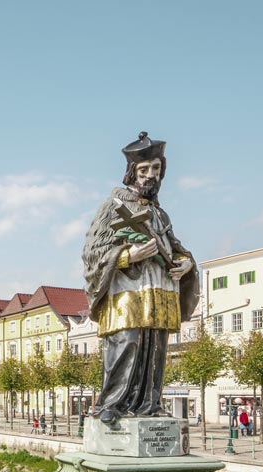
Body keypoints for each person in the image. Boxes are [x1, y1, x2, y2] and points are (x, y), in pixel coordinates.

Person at [83, 132, 200, 426]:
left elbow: (176, 249)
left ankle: (149, 404)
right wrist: (128, 256)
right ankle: (112, 404)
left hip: (160, 292)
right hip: (126, 292)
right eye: (144, 170)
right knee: (127, 343)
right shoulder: (114, 206)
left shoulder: (160, 214)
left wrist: (185, 264)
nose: (151, 176)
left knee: (155, 350)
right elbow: (93, 251)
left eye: (156, 169)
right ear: (132, 172)